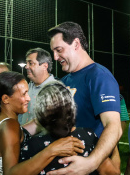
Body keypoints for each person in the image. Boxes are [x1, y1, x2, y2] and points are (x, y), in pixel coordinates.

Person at [47, 21, 122, 175]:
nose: (55, 57)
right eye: (53, 51)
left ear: (76, 44)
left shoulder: (99, 76)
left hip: (90, 167)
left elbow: (114, 126)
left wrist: (91, 163)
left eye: (59, 50)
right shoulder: (65, 81)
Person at [0, 71, 84, 175]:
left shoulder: (3, 120)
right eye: (24, 94)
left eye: (28, 92)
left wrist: (57, 106)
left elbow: (27, 130)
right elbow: (10, 172)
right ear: (6, 99)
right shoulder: (9, 125)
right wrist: (52, 150)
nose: (28, 98)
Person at [20, 81, 121, 175]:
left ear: (40, 113)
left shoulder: (30, 146)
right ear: (72, 108)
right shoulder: (87, 137)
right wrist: (113, 146)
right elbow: (112, 172)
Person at [18, 48, 56, 127]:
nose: (26, 67)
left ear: (44, 66)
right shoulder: (28, 86)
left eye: (31, 63)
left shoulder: (55, 90)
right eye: (26, 63)